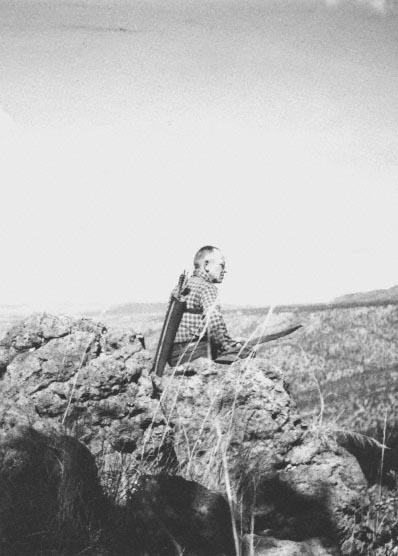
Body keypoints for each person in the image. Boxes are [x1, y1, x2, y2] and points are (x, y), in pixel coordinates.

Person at [167, 245, 253, 366]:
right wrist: (229, 345)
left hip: (174, 356)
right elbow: (213, 322)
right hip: (195, 353)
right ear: (206, 265)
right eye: (221, 265)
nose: (224, 270)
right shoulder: (207, 287)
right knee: (246, 353)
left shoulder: (179, 288)